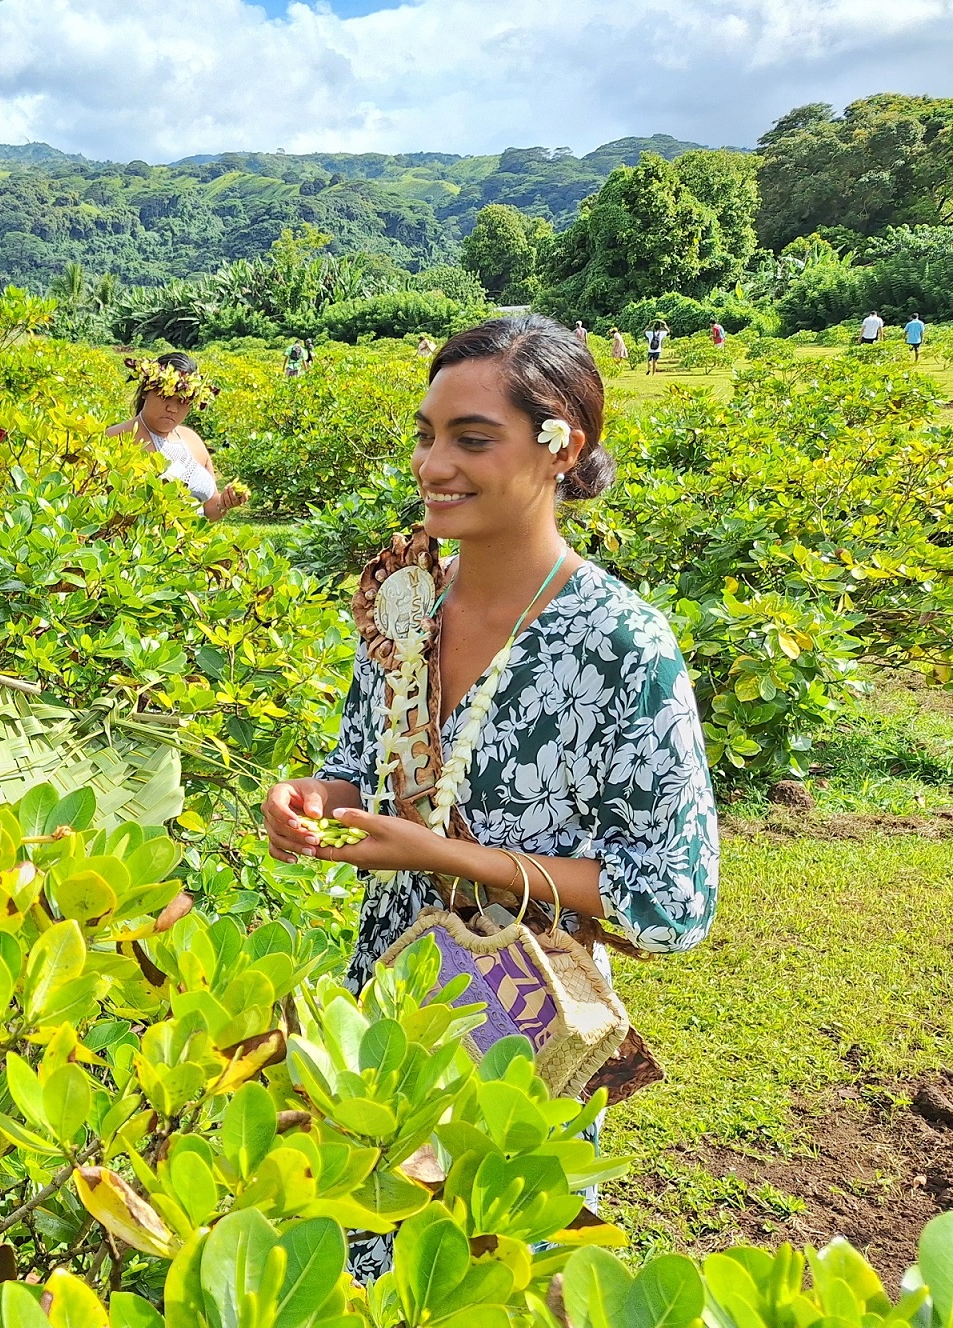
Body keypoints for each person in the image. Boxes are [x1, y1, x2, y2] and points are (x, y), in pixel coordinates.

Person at [262, 313, 717, 1071]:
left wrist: (452, 857)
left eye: (472, 440)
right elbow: (356, 763)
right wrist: (313, 798)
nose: (434, 465)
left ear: (561, 449)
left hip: (522, 1019)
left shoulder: (621, 646)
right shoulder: (407, 604)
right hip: (388, 989)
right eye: (426, 435)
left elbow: (673, 898)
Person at [108, 353, 245, 521]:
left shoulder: (192, 439)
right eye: (165, 397)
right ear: (146, 391)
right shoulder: (115, 439)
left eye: (183, 401)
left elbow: (209, 508)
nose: (172, 409)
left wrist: (225, 502)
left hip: (192, 543)